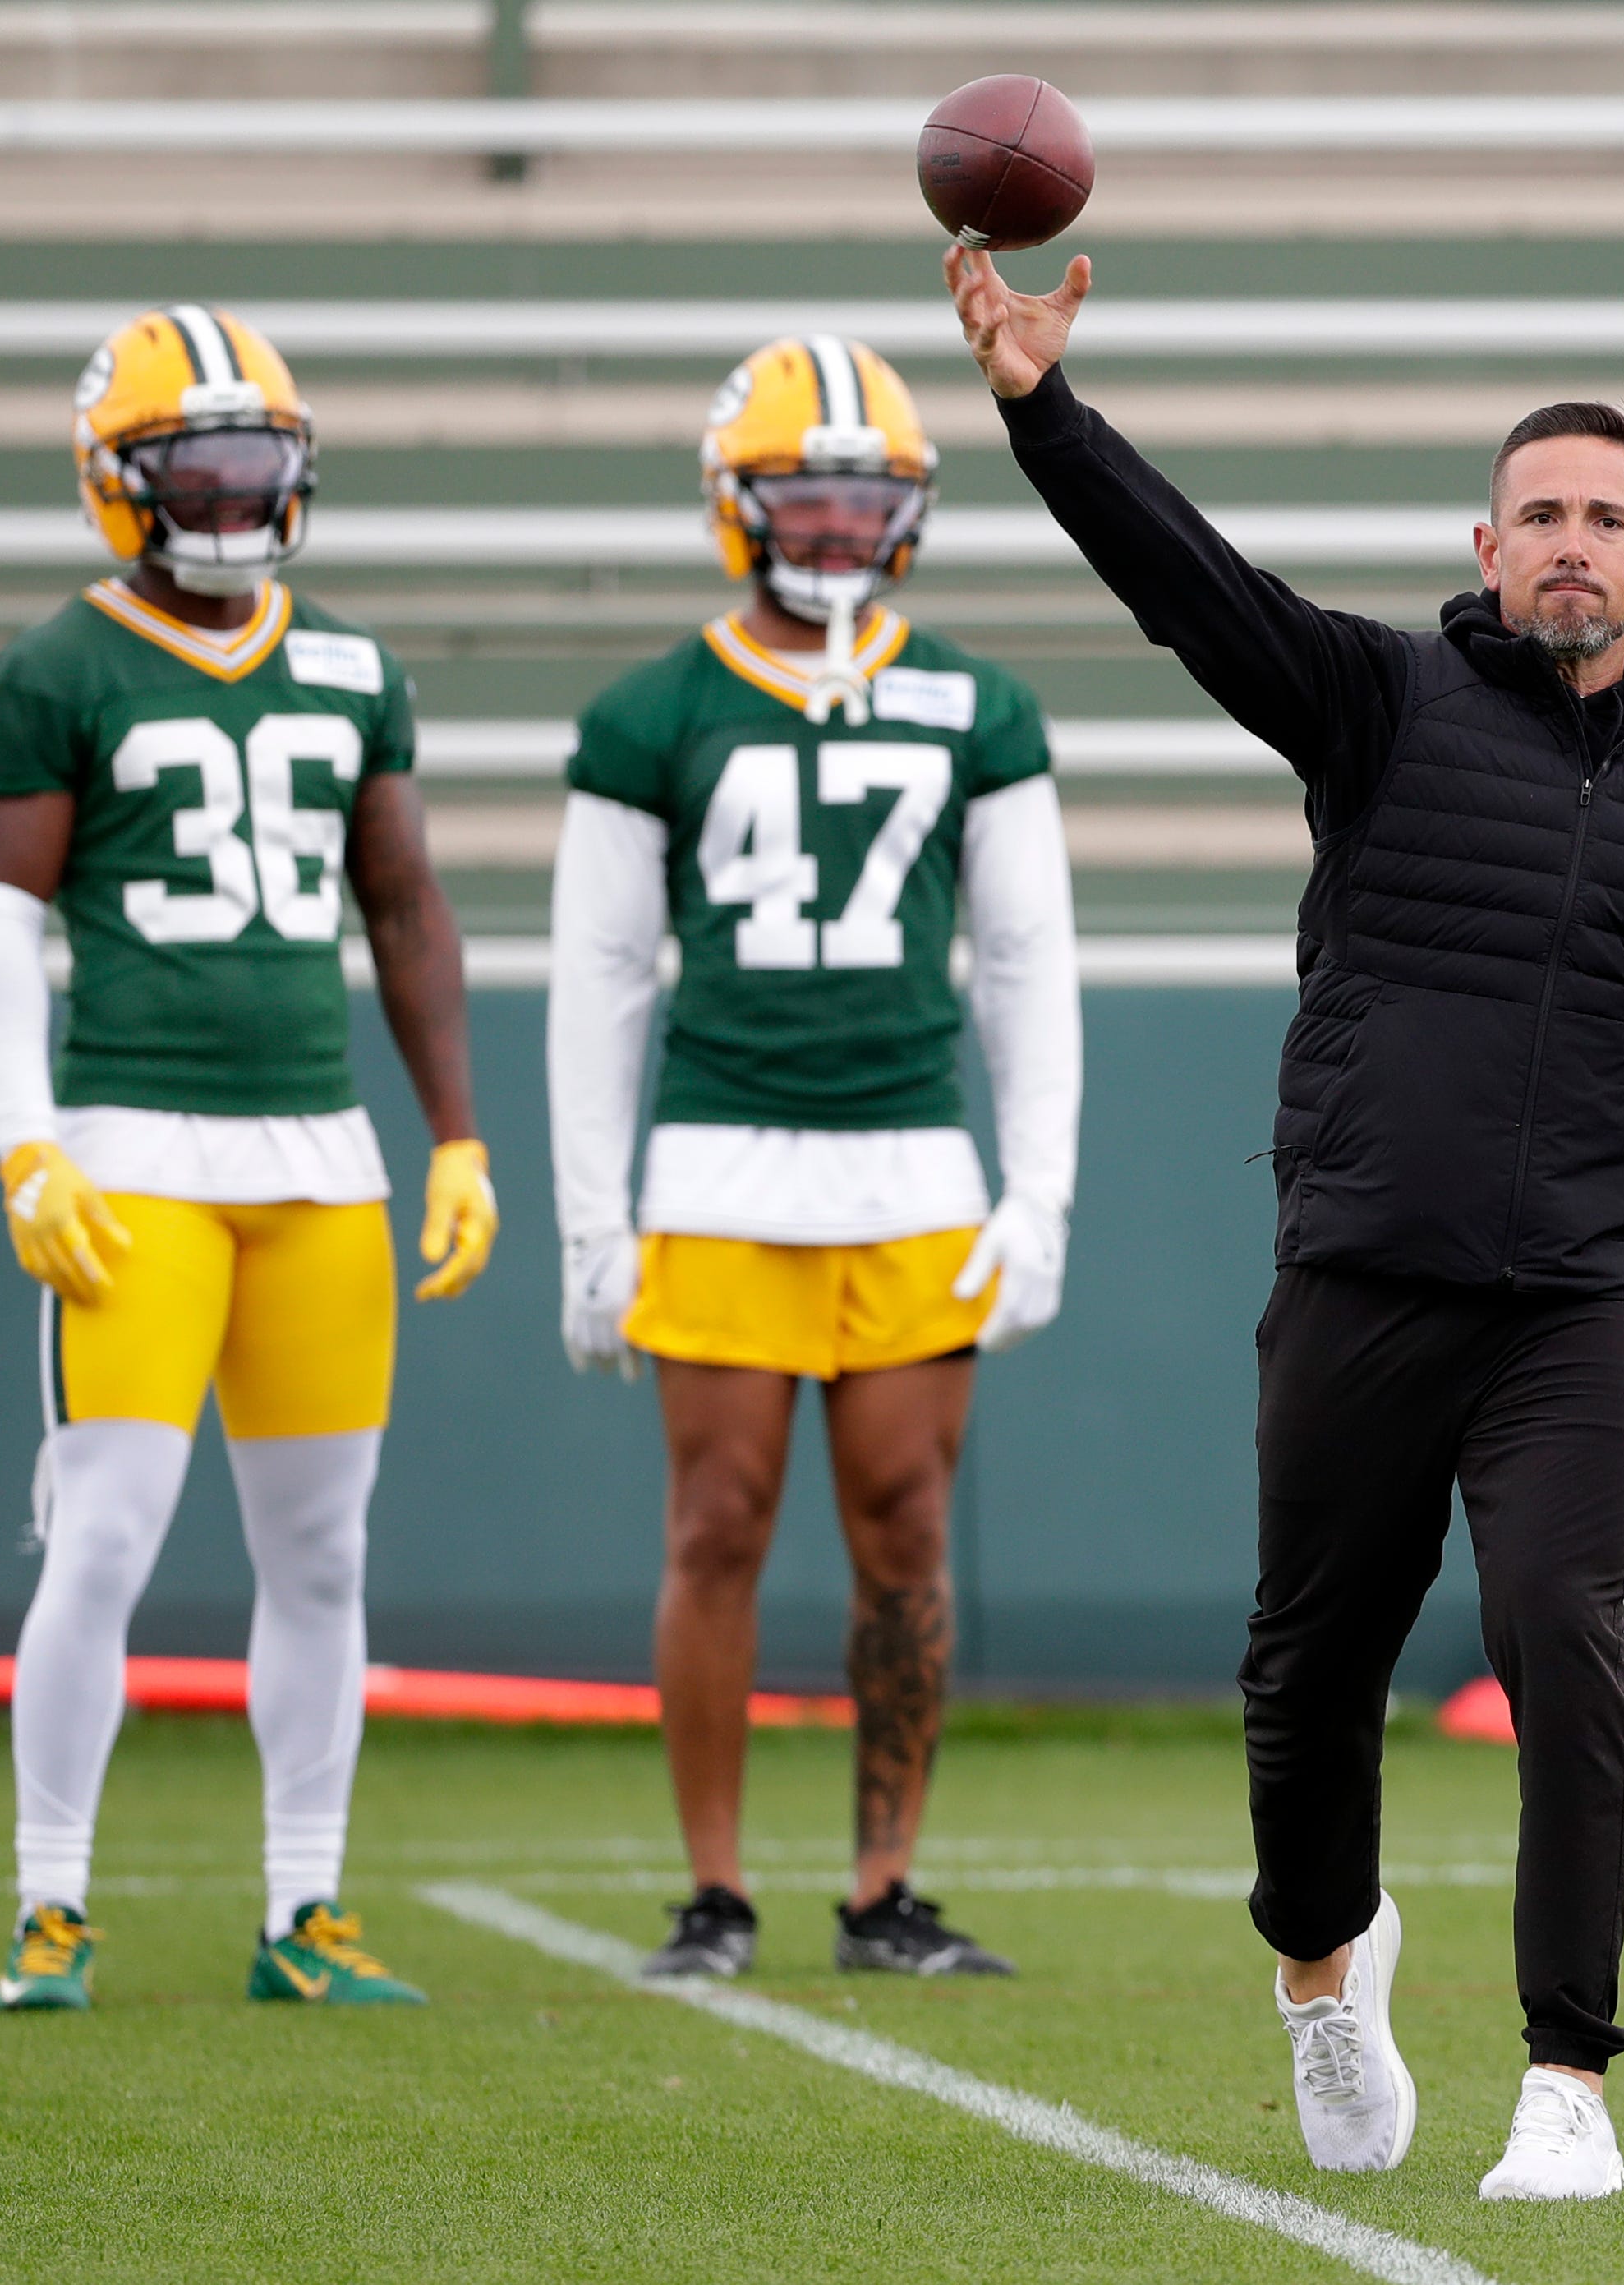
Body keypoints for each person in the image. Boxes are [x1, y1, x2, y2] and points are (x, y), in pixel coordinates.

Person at [947, 244, 1624, 2200]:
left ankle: (1567, 2073)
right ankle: (1325, 1970)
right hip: (1363, 1274)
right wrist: (1040, 409)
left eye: (1609, 520)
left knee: (1562, 1634)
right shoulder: (1383, 701)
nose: (1574, 545)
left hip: (1578, 1300)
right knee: (1306, 1669)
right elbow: (1189, 590)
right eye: (1543, 515)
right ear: (1484, 545)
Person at [0, 303, 499, 2011]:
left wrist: (459, 1135)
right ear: (117, 483)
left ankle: (304, 1907)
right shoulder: (53, 669)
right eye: (190, 469)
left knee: (324, 1555)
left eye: (253, 465)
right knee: (105, 1537)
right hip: (130, 1149)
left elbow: (402, 905)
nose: (227, 497)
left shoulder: (349, 660)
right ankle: (52, 1901)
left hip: (320, 1161)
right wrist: (25, 1141)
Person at [545, 333, 1080, 1985]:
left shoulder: (978, 705)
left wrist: (1036, 1186)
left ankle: (882, 1883)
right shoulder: (652, 709)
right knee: (717, 1519)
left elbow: (1025, 964)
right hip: (717, 1164)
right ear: (737, 502)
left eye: (866, 501)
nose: (838, 530)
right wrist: (592, 1218)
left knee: (905, 1526)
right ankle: (713, 1888)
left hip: (910, 1167)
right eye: (808, 497)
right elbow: (602, 977)